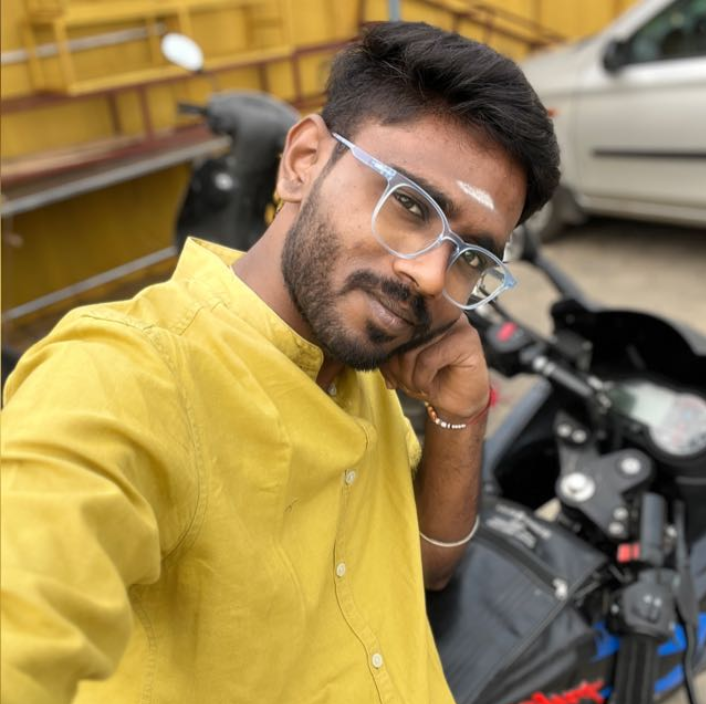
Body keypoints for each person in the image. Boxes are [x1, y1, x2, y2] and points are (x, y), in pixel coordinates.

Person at [1, 21, 559, 704]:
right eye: (408, 204)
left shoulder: (364, 366)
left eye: (471, 257)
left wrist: (460, 416)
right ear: (302, 161)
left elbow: (429, 566)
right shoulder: (126, 379)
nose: (428, 274)